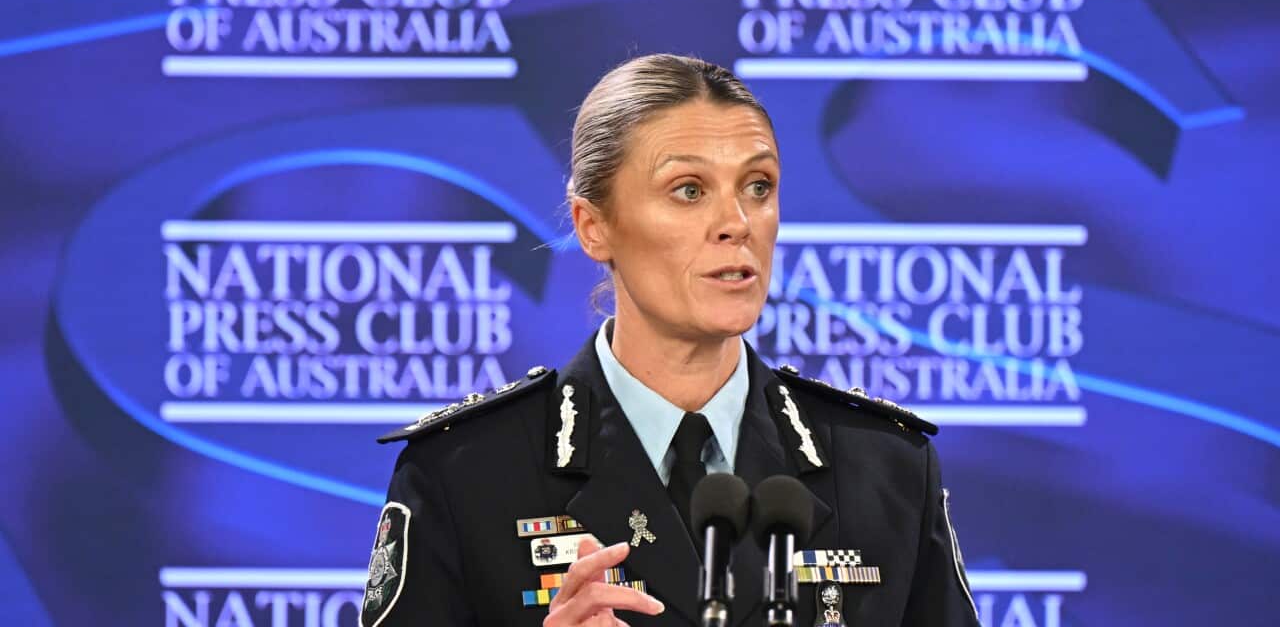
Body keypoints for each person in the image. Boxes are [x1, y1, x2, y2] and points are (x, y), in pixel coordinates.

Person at [358, 54, 982, 627]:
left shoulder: (884, 467)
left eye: (758, 186)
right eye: (689, 190)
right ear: (594, 226)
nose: (736, 223)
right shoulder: (466, 472)